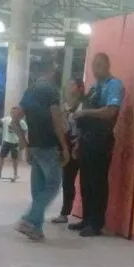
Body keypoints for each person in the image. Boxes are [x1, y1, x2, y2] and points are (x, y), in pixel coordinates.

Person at [12, 56, 70, 241]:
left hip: (34, 145)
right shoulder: (52, 91)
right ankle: (28, 219)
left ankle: (35, 229)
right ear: (51, 71)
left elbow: (15, 119)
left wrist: (25, 144)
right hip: (48, 145)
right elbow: (56, 121)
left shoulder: (30, 91)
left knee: (38, 189)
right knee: (53, 185)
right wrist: (65, 146)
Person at [70, 53, 124, 237]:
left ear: (107, 65)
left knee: (97, 181)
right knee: (85, 181)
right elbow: (83, 108)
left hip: (101, 139)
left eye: (99, 65)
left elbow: (111, 112)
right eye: (93, 65)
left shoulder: (114, 85)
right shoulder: (94, 87)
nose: (95, 69)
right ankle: (86, 218)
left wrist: (86, 114)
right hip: (87, 139)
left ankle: (96, 223)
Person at [52, 78, 86, 224]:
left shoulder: (85, 104)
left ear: (79, 87)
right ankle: (64, 213)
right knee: (67, 180)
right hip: (69, 144)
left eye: (72, 85)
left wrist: (79, 141)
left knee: (86, 181)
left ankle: (87, 216)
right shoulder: (65, 106)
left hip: (83, 144)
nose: (68, 88)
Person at [0, 108, 28, 182]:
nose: (12, 114)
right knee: (1, 157)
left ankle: (15, 174)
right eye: (11, 112)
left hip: (15, 143)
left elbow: (25, 130)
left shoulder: (21, 122)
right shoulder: (7, 119)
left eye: (14, 113)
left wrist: (21, 140)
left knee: (14, 159)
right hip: (6, 141)